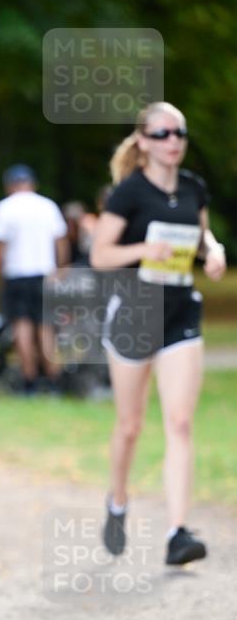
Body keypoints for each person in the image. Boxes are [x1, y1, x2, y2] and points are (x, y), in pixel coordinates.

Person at [90, 101, 226, 566]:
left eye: (179, 133)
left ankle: (177, 533)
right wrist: (144, 249)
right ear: (144, 141)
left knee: (180, 421)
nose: (174, 141)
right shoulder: (128, 193)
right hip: (134, 312)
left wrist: (213, 251)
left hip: (180, 312)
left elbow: (202, 236)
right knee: (130, 425)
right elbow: (101, 256)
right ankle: (117, 502)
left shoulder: (193, 188)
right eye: (163, 133)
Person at [0, 164, 70, 394]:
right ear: (33, 184)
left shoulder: (4, 208)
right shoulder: (48, 206)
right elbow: (61, 242)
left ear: (9, 186)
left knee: (22, 327)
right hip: (45, 273)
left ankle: (29, 380)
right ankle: (52, 380)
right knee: (46, 328)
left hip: (16, 274)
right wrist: (60, 270)